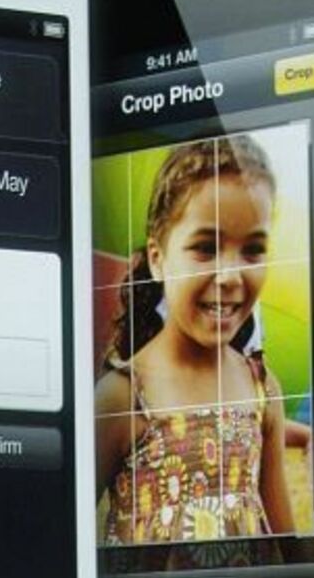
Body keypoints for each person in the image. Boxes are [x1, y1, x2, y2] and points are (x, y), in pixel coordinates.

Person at [96, 135, 295, 555]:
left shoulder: (263, 389)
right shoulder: (122, 396)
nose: (230, 276)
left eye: (253, 250)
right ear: (157, 258)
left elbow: (288, 547)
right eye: (206, 248)